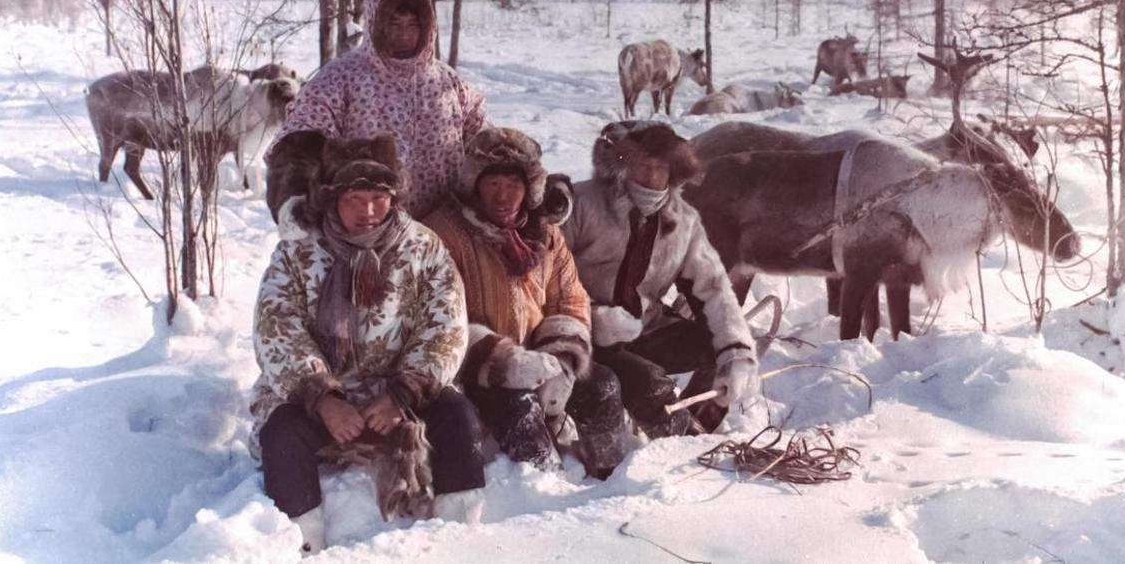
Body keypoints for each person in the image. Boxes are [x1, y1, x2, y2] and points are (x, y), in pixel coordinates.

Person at [250, 133, 485, 555]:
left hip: (398, 393)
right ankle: (303, 543)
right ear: (330, 197)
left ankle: (457, 537)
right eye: (355, 199)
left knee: (458, 415)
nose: (369, 211)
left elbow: (446, 326)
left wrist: (404, 393)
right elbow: (277, 328)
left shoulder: (423, 247)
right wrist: (323, 398)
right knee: (281, 434)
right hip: (324, 396)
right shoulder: (297, 251)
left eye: (379, 197)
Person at [423, 128, 625, 478]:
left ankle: (609, 477)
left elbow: (570, 298)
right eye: (493, 184)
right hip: (474, 371)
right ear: (475, 185)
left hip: (542, 357)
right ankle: (545, 493)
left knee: (603, 385)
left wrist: (561, 360)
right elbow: (437, 321)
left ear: (530, 188)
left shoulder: (545, 234)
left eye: (513, 186)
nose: (504, 197)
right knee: (520, 409)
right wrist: (505, 361)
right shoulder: (441, 233)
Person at [561, 121, 760, 437]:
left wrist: (736, 352)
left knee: (720, 351)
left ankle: (694, 427)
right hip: (581, 336)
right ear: (624, 166)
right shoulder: (582, 204)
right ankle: (670, 452)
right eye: (643, 166)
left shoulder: (684, 222)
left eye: (661, 168)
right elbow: (547, 279)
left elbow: (713, 290)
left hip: (644, 330)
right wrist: (593, 319)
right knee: (650, 383)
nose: (652, 178)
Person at [266, 0, 489, 222]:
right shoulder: (341, 78)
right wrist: (296, 203)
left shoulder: (448, 83)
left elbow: (485, 146)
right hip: (364, 229)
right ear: (376, 23)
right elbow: (298, 144)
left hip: (441, 229)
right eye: (394, 24)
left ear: (428, 26)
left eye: (412, 25)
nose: (404, 34)